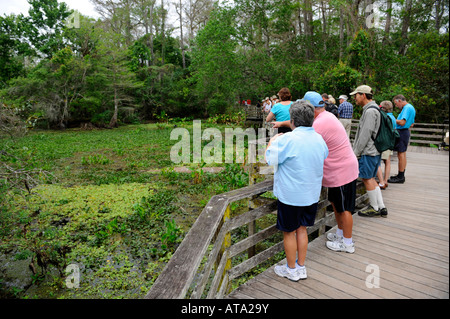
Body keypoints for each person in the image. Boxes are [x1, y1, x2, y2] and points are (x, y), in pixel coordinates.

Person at [265, 100, 328, 281]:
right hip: (311, 194)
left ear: (292, 121)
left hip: (291, 196)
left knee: (289, 232)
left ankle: (291, 269)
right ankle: (301, 267)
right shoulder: (319, 138)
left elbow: (270, 159)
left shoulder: (287, 139)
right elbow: (324, 155)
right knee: (302, 229)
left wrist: (272, 141)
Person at [301, 91, 359, 253]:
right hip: (337, 171)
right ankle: (340, 233)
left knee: (345, 208)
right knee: (336, 203)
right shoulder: (325, 116)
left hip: (342, 171)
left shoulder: (321, 123)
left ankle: (347, 243)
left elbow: (306, 143)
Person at [351, 85, 388, 218]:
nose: (355, 98)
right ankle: (381, 206)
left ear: (363, 95)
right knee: (371, 178)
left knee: (367, 178)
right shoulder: (374, 109)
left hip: (369, 151)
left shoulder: (370, 112)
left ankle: (374, 207)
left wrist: (355, 152)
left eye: (356, 95)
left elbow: (365, 135)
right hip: (375, 151)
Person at [388, 94, 416, 184]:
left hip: (402, 132)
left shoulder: (407, 108)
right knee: (402, 154)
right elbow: (412, 124)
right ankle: (401, 174)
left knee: (401, 154)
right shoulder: (411, 107)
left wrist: (391, 119)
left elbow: (403, 122)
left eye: (396, 104)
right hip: (405, 132)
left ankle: (400, 177)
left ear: (399, 101)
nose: (396, 106)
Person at [376, 101, 396, 189]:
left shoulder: (384, 117)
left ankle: (381, 182)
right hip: (390, 142)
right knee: (387, 162)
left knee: (377, 161)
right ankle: (385, 180)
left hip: (383, 142)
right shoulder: (393, 118)